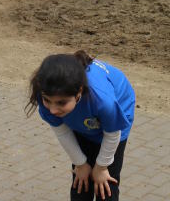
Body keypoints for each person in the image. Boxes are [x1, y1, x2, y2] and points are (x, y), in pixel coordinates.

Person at [26, 50, 135, 201]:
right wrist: (81, 164)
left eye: (61, 102)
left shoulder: (103, 102)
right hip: (83, 117)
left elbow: (112, 134)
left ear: (79, 93)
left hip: (115, 117)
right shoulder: (46, 93)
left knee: (105, 183)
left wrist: (101, 167)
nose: (52, 109)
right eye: (47, 100)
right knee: (81, 180)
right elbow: (62, 132)